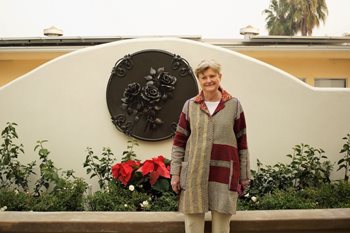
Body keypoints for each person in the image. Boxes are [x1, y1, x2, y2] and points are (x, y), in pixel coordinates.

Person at [170, 59, 251, 233]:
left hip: (224, 173)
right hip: (194, 173)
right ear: (199, 79)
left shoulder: (234, 105)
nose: (208, 81)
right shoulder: (190, 106)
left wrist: (244, 176)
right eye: (203, 77)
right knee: (192, 226)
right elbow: (179, 143)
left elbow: (242, 142)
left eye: (212, 76)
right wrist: (175, 173)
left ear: (219, 76)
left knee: (221, 228)